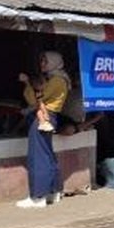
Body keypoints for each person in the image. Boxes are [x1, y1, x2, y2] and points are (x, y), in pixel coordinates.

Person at [17, 51, 71, 208]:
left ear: (54, 62)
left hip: (44, 117)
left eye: (45, 61)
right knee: (47, 154)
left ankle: (38, 196)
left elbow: (35, 99)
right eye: (41, 61)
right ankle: (54, 191)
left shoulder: (57, 80)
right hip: (48, 116)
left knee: (38, 156)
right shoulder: (57, 79)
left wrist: (27, 83)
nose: (42, 64)